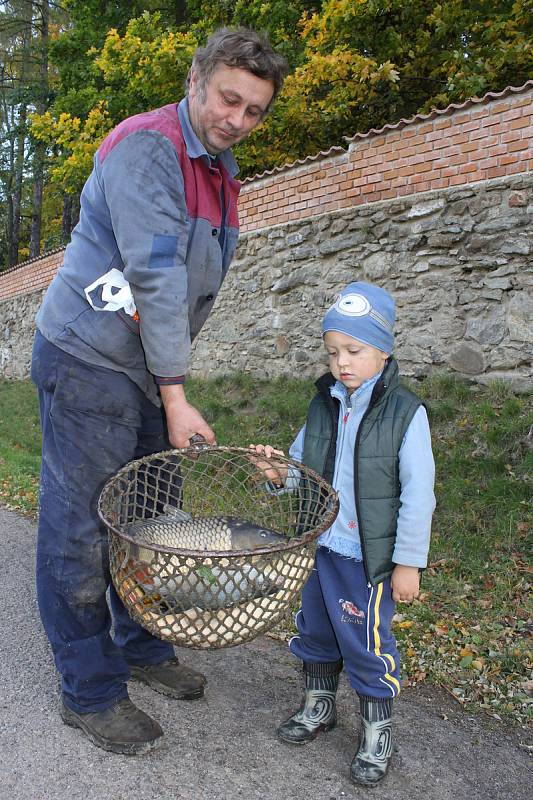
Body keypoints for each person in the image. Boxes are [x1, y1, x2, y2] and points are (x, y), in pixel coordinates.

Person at [30, 27, 288, 755]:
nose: (236, 118)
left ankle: (141, 651)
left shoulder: (218, 167)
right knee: (82, 531)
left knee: (149, 520)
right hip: (86, 360)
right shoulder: (149, 148)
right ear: (196, 81)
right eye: (228, 99)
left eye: (254, 111)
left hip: (145, 368)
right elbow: (155, 277)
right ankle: (89, 691)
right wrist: (177, 395)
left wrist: (166, 386)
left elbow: (190, 289)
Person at [249, 281, 436, 787]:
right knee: (316, 628)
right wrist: (277, 473)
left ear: (384, 349)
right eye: (333, 353)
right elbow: (303, 467)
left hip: (366, 557)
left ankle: (377, 730)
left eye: (354, 351)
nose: (342, 363)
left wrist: (408, 562)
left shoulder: (405, 415)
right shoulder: (324, 404)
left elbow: (420, 495)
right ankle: (318, 703)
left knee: (364, 641)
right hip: (319, 546)